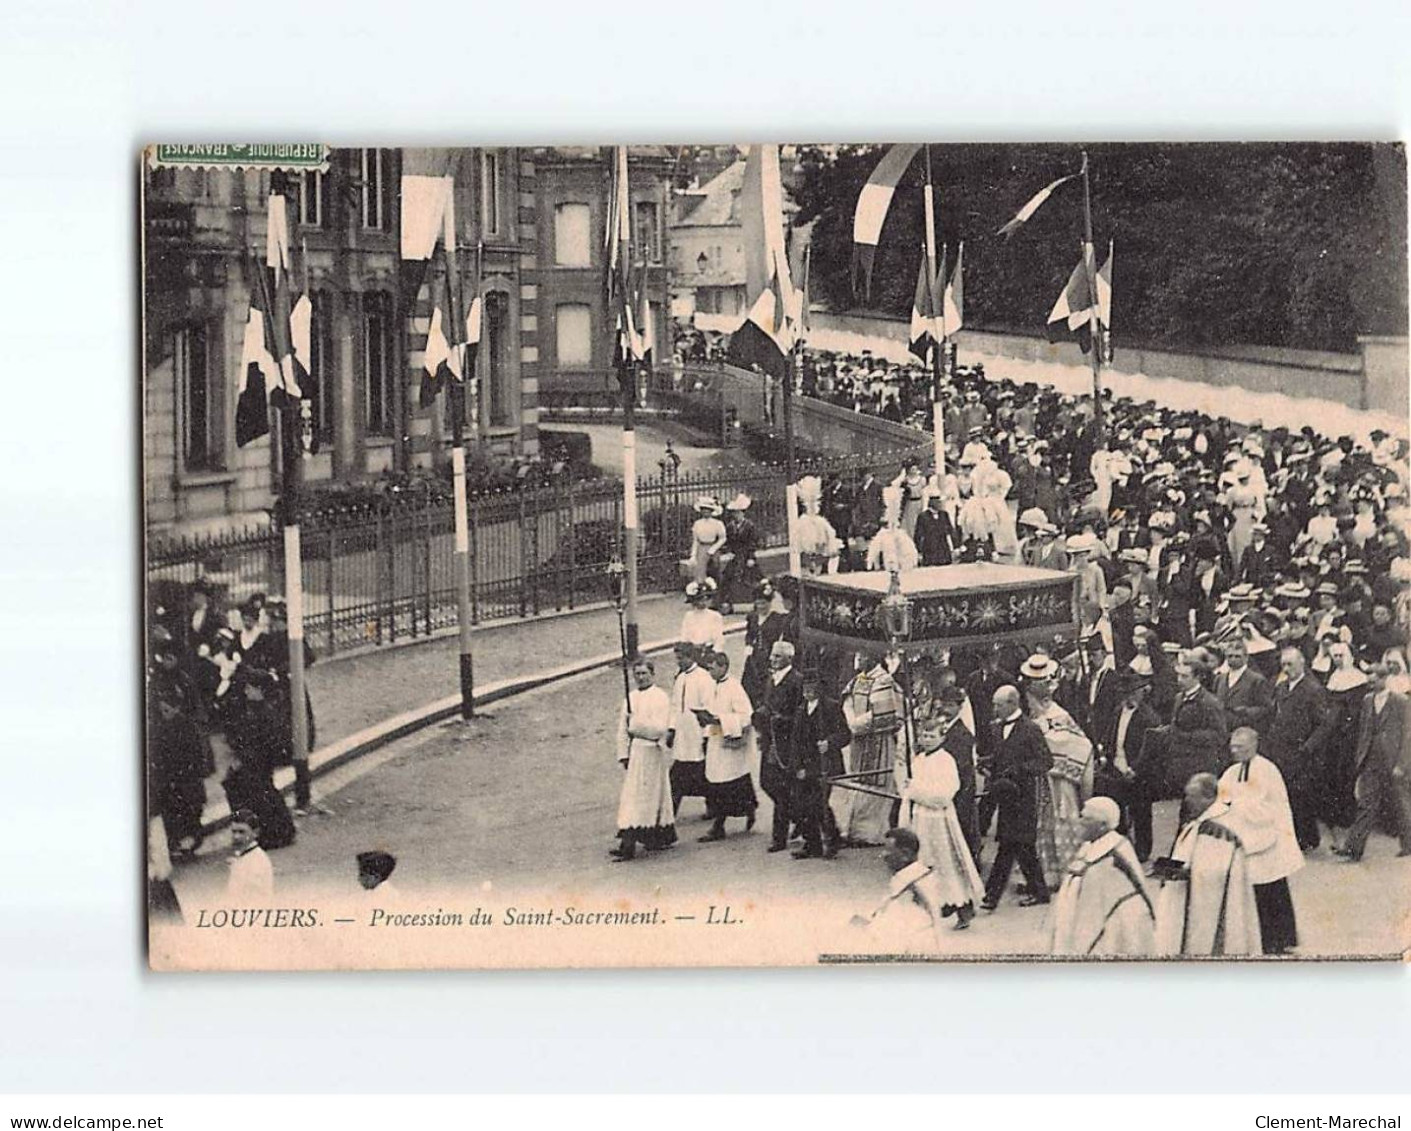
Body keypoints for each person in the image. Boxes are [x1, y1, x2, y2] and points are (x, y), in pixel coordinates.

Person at [1152, 773, 1263, 956]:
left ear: (1210, 798)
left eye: (1192, 796)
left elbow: (1216, 873)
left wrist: (1180, 872)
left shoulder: (1218, 828)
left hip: (1205, 905)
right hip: (1191, 893)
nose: (1187, 801)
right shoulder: (1199, 822)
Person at [899, 700, 985, 929]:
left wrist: (917, 791)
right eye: (924, 736)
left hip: (939, 822)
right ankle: (928, 909)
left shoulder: (946, 760)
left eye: (932, 736)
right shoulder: (918, 760)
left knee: (946, 865)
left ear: (942, 737)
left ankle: (963, 909)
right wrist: (909, 791)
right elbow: (910, 789)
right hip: (921, 821)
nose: (927, 740)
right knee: (923, 865)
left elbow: (945, 794)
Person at [1217, 727, 1303, 955]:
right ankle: (1260, 938)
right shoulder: (1232, 770)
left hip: (1267, 836)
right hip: (1246, 835)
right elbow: (1222, 796)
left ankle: (1280, 939)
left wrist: (1236, 804)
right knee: (1254, 890)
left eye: (1241, 748)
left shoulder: (1267, 770)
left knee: (1272, 890)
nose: (1235, 751)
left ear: (1254, 746)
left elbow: (1265, 807)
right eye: (1232, 747)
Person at [1020, 654, 1095, 891]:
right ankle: (1049, 874)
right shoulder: (1037, 716)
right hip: (1044, 780)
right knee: (1045, 823)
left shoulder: (1058, 716)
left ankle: (1070, 871)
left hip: (1060, 782)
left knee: (1064, 820)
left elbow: (1079, 744)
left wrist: (1046, 750)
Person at [1048, 797, 1156, 957]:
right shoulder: (1088, 846)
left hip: (1111, 933)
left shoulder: (1114, 855)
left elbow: (1104, 908)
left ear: (1102, 825)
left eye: (1086, 818)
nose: (1079, 822)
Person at [981, 686, 1053, 910]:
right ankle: (1038, 891)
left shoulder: (1031, 729)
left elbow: (1045, 761)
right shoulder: (996, 729)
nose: (994, 709)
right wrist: (988, 763)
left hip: (1023, 797)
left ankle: (992, 896)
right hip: (1005, 795)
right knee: (1017, 846)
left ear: (1013, 704)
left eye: (998, 705)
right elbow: (1000, 756)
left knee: (1013, 845)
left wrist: (1019, 770)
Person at [1336, 662, 1411, 862]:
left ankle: (1409, 844)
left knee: (1402, 805)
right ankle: (1353, 848)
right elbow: (1364, 731)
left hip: (1393, 761)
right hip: (1371, 760)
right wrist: (1361, 758)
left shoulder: (1401, 701)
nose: (1371, 683)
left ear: (1384, 678)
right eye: (1369, 680)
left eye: (1374, 679)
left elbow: (1407, 735)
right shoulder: (1367, 700)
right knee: (1366, 804)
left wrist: (1402, 764)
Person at [1265, 645, 1337, 850]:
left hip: (1302, 753)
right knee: (1286, 795)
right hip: (1281, 750)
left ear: (1302, 663)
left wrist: (1308, 747)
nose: (1287, 669)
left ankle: (1307, 838)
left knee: (1300, 797)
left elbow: (1324, 724)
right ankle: (1296, 836)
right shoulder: (1281, 688)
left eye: (1290, 664)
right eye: (1283, 665)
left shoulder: (1313, 689)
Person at [612, 657, 676, 861]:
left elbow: (659, 729)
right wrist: (623, 753)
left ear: (652, 674)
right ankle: (643, 837)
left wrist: (636, 725)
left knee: (646, 796)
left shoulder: (660, 698)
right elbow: (623, 728)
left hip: (652, 752)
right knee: (633, 796)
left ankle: (633, 842)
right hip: (636, 752)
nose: (640, 678)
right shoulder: (630, 698)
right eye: (637, 674)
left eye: (644, 674)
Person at [1094, 672, 1162, 861]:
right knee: (1117, 810)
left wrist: (1136, 769)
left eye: (1133, 693)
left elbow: (1150, 750)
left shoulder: (1149, 718)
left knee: (1141, 813)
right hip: (1116, 768)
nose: (1129, 698)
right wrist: (1105, 754)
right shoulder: (1118, 711)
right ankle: (1121, 845)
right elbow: (1110, 736)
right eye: (1125, 694)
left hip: (1138, 772)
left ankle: (1142, 851)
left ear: (1141, 693)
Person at [848, 827, 950, 953]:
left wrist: (866, 927)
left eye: (888, 850)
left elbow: (898, 934)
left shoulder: (912, 888)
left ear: (905, 855)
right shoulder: (919, 876)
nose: (883, 855)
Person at [839, 653, 901, 847]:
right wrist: (850, 720)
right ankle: (854, 829)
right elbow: (847, 701)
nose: (859, 659)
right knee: (858, 779)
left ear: (873, 658)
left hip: (877, 738)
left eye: (863, 656)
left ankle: (870, 834)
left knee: (876, 782)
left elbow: (883, 712)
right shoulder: (858, 679)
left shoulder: (884, 680)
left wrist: (858, 723)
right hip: (859, 740)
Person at [786, 666, 849, 859]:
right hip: (805, 766)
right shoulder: (800, 711)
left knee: (818, 804)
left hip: (825, 765)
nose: (808, 690)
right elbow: (795, 742)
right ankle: (812, 843)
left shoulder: (831, 707)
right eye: (805, 685)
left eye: (812, 685)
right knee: (802, 806)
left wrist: (829, 743)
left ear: (820, 687)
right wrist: (797, 767)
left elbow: (846, 734)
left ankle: (832, 839)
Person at [697, 651, 758, 841]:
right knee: (719, 780)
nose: (709, 671)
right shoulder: (712, 686)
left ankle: (719, 825)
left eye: (713, 667)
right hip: (717, 740)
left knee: (726, 782)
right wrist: (707, 727)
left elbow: (746, 716)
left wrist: (720, 720)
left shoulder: (734, 688)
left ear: (723, 667)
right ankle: (748, 808)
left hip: (732, 742)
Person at [755, 640, 804, 853]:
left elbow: (800, 714)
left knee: (782, 789)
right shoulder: (771, 680)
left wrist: (780, 719)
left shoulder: (796, 681)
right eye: (772, 655)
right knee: (766, 782)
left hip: (786, 743)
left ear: (789, 659)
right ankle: (800, 817)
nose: (772, 659)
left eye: (777, 656)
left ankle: (780, 837)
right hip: (770, 741)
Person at [665, 642, 714, 820]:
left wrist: (707, 735)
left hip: (697, 734)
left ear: (691, 657)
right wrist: (671, 729)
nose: (679, 662)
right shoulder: (680, 678)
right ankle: (669, 812)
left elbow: (709, 708)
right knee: (677, 774)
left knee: (703, 773)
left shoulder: (703, 678)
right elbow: (675, 705)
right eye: (677, 658)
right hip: (682, 734)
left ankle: (712, 806)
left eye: (681, 658)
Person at [1213, 633, 1276, 735]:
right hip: (1222, 731)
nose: (1233, 659)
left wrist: (1246, 711)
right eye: (1230, 656)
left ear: (1246, 657)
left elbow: (1266, 709)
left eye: (1237, 656)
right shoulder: (1219, 679)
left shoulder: (1256, 680)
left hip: (1244, 730)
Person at [225, 809, 274, 901]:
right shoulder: (245, 854)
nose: (236, 837)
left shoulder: (257, 861)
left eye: (242, 832)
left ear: (255, 833)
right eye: (234, 832)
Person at [687, 497, 728, 584]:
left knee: (715, 566)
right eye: (703, 510)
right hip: (701, 547)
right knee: (700, 568)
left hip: (713, 547)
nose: (705, 512)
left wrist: (713, 549)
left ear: (712, 511)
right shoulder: (697, 524)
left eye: (708, 510)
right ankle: (701, 587)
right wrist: (693, 554)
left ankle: (716, 586)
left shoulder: (717, 523)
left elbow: (723, 538)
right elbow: (695, 540)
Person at [679, 579, 726, 655]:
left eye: (706, 599)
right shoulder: (689, 616)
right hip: (693, 652)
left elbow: (719, 639)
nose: (703, 602)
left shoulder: (715, 616)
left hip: (709, 652)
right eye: (699, 599)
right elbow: (684, 636)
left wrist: (715, 652)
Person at [913, 492, 956, 567]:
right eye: (938, 502)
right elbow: (918, 534)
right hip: (930, 550)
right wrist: (918, 551)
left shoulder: (944, 514)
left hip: (943, 550)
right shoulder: (923, 516)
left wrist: (955, 546)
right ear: (932, 503)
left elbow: (950, 530)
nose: (940, 504)